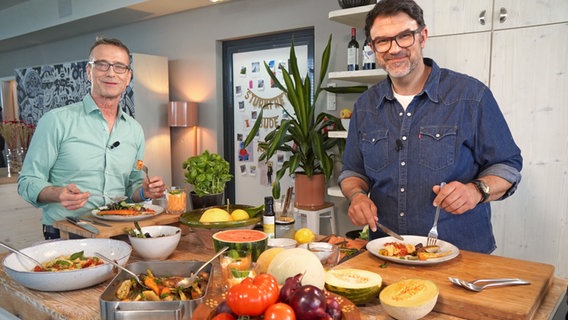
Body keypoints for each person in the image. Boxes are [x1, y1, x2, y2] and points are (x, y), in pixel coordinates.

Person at [338, 0, 522, 253]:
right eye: (382, 41)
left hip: (462, 254)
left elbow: (507, 165)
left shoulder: (471, 95)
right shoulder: (365, 106)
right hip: (387, 250)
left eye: (404, 36)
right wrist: (357, 196)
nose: (394, 49)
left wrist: (477, 190)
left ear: (422, 36)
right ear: (372, 47)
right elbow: (352, 172)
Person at [18, 37, 166, 240]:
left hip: (119, 232)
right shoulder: (56, 121)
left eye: (119, 67)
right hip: (68, 232)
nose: (111, 73)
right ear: (89, 72)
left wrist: (144, 192)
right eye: (102, 65)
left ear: (128, 76)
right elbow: (27, 182)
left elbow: (132, 186)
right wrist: (58, 193)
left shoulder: (134, 130)